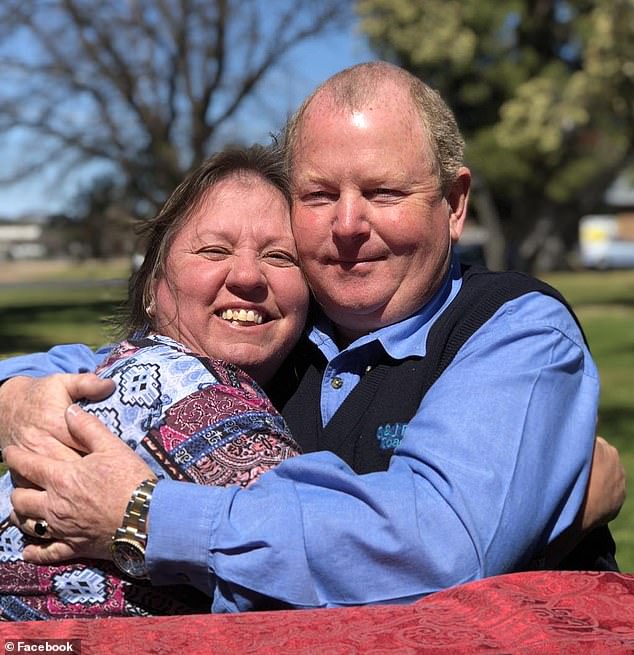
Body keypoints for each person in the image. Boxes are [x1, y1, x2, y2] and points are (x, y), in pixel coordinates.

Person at [0, 62, 625, 613]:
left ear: (454, 203)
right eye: (319, 195)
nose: (348, 225)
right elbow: (133, 366)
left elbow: (441, 548)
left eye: (383, 193)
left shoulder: (515, 330)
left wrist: (145, 516)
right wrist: (18, 395)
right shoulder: (278, 331)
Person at [0, 144, 308, 619]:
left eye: (281, 256)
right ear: (152, 286)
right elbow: (311, 578)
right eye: (214, 250)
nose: (248, 275)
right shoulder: (177, 386)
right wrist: (15, 400)